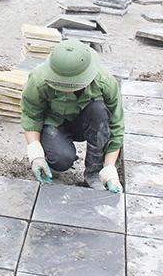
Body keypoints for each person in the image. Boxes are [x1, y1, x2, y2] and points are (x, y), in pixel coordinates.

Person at [20, 39, 124, 193]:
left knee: (98, 110)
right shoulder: (39, 79)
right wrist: (36, 154)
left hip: (89, 123)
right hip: (56, 125)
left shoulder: (105, 82)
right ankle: (51, 161)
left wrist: (109, 168)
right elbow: (31, 116)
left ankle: (94, 173)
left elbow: (116, 126)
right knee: (61, 160)